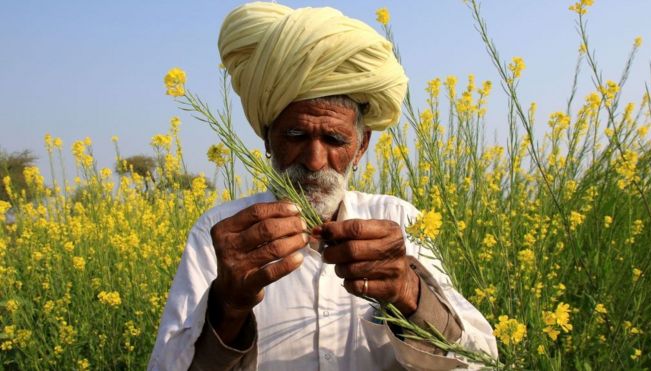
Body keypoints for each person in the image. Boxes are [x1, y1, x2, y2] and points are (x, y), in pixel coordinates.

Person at [149, 3, 496, 370]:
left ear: (361, 146)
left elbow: (480, 361)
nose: (315, 161)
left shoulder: (399, 220)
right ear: (268, 140)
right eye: (295, 135)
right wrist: (227, 306)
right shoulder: (219, 234)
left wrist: (409, 293)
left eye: (334, 139)